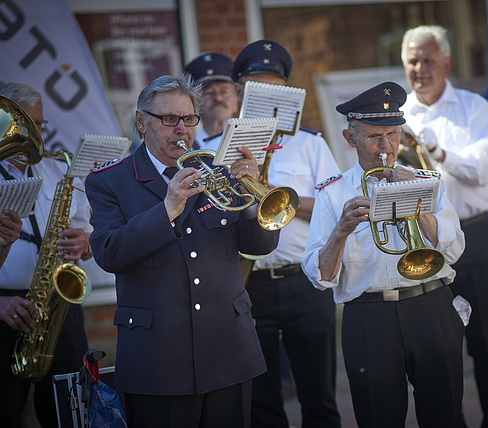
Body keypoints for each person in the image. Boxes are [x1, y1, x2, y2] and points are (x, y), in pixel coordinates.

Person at [84, 73, 279, 428]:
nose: (182, 129)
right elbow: (109, 253)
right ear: (142, 122)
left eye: (189, 119)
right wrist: (167, 209)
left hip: (228, 350)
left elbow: (259, 246)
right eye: (169, 119)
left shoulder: (218, 171)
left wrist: (255, 196)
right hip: (159, 359)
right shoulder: (109, 180)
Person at [302, 81, 466, 428]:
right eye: (374, 136)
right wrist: (341, 230)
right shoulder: (332, 195)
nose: (385, 147)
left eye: (393, 135)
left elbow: (454, 249)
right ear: (350, 139)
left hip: (431, 305)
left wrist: (416, 201)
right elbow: (320, 277)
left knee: (446, 415)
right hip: (369, 318)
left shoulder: (426, 180)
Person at [202, 39, 342, 428]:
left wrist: (283, 202)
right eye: (255, 87)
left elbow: (334, 207)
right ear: (241, 92)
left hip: (304, 279)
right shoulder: (214, 146)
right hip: (247, 283)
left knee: (320, 396)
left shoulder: (311, 144)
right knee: (260, 402)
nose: (265, 95)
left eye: (273, 88)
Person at [399, 25, 488, 428]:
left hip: (476, 237)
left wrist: (435, 151)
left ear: (446, 62)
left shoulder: (474, 108)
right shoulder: (397, 118)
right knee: (437, 350)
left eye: (428, 59)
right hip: (426, 244)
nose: (420, 68)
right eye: (413, 60)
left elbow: (483, 170)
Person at [0, 83, 92, 428]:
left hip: (57, 305)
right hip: (4, 310)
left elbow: (88, 231)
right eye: (29, 124)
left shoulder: (57, 169)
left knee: (70, 413)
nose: (37, 134)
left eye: (41, 124)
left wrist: (84, 242)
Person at [184, 52, 239, 148]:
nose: (218, 98)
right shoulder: (187, 153)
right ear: (194, 104)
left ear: (236, 98)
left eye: (224, 91)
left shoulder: (254, 146)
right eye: (208, 92)